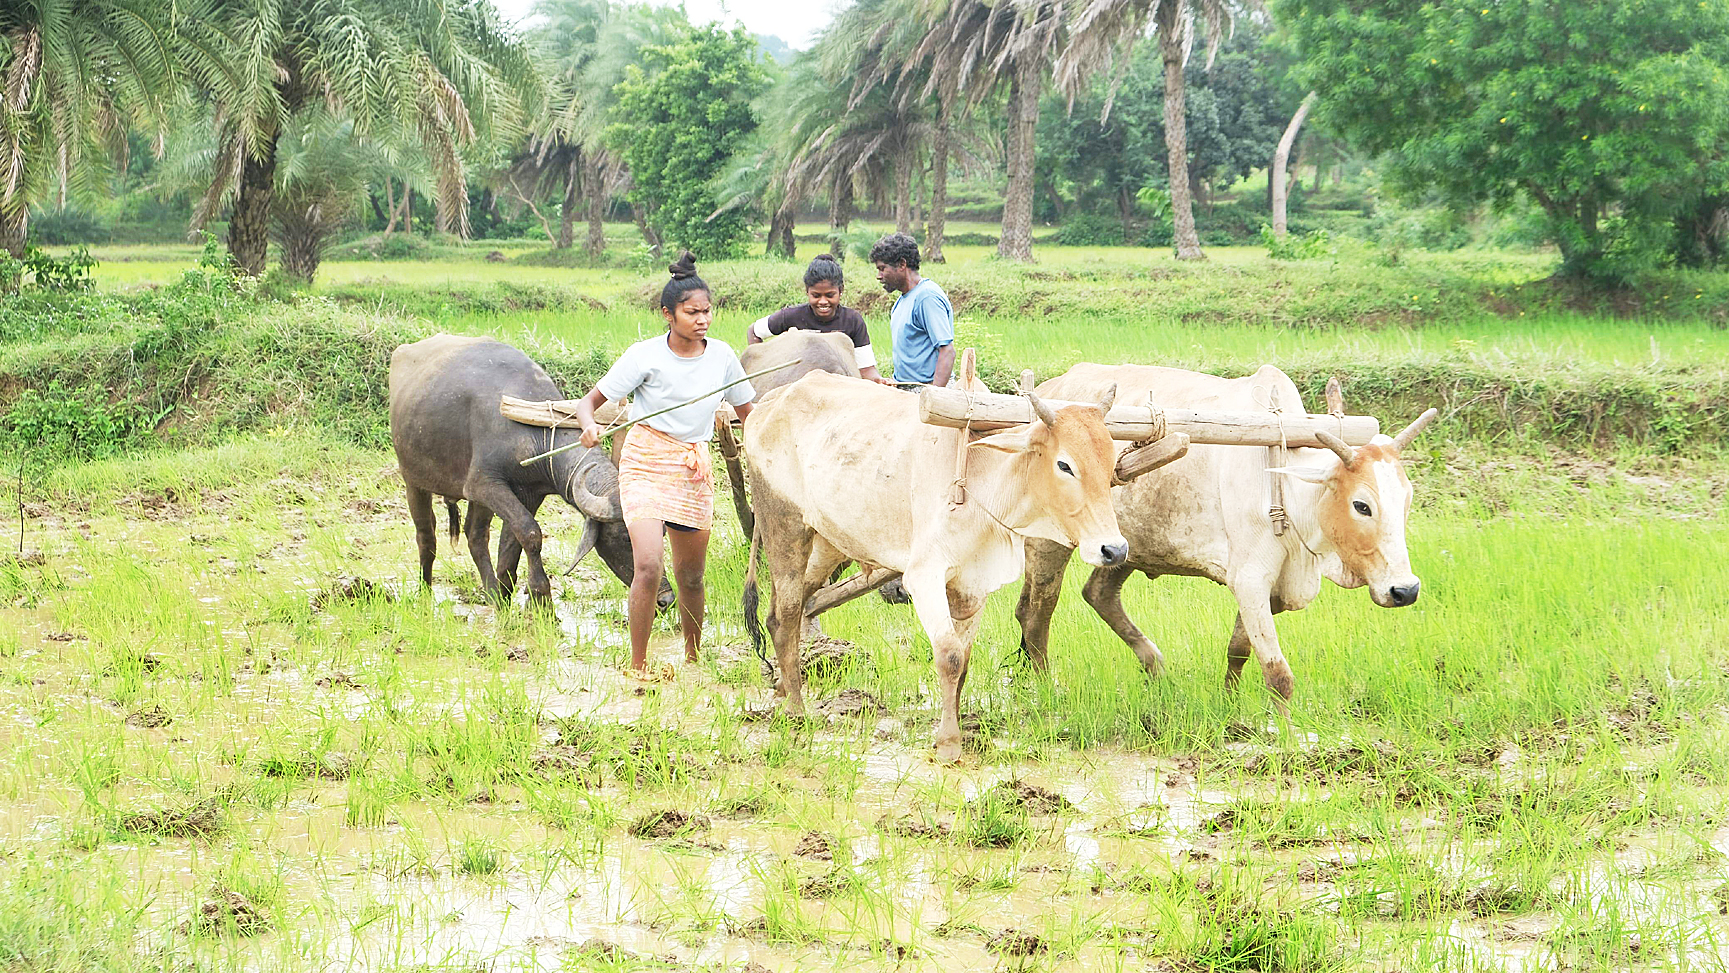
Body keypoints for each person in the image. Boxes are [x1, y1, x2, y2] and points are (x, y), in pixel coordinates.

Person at [572, 252, 755, 680]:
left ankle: (692, 659)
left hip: (692, 466)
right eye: (692, 312)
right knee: (650, 565)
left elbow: (750, 413)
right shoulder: (644, 355)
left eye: (707, 311)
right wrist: (588, 428)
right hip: (646, 460)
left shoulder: (724, 356)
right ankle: (638, 665)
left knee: (691, 576)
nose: (702, 319)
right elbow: (589, 404)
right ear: (668, 314)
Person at [745, 253, 888, 383]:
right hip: (796, 387)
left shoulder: (853, 321)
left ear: (841, 290)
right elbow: (754, 331)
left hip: (841, 388)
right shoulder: (790, 316)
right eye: (816, 295)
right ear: (807, 291)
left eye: (830, 295)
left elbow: (866, 370)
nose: (823, 302)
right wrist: (759, 370)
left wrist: (880, 381)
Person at [870, 232, 955, 387]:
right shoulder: (901, 301)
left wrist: (934, 396)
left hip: (926, 388)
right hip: (907, 389)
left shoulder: (926, 297)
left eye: (882, 269)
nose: (879, 276)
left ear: (902, 264)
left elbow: (947, 351)